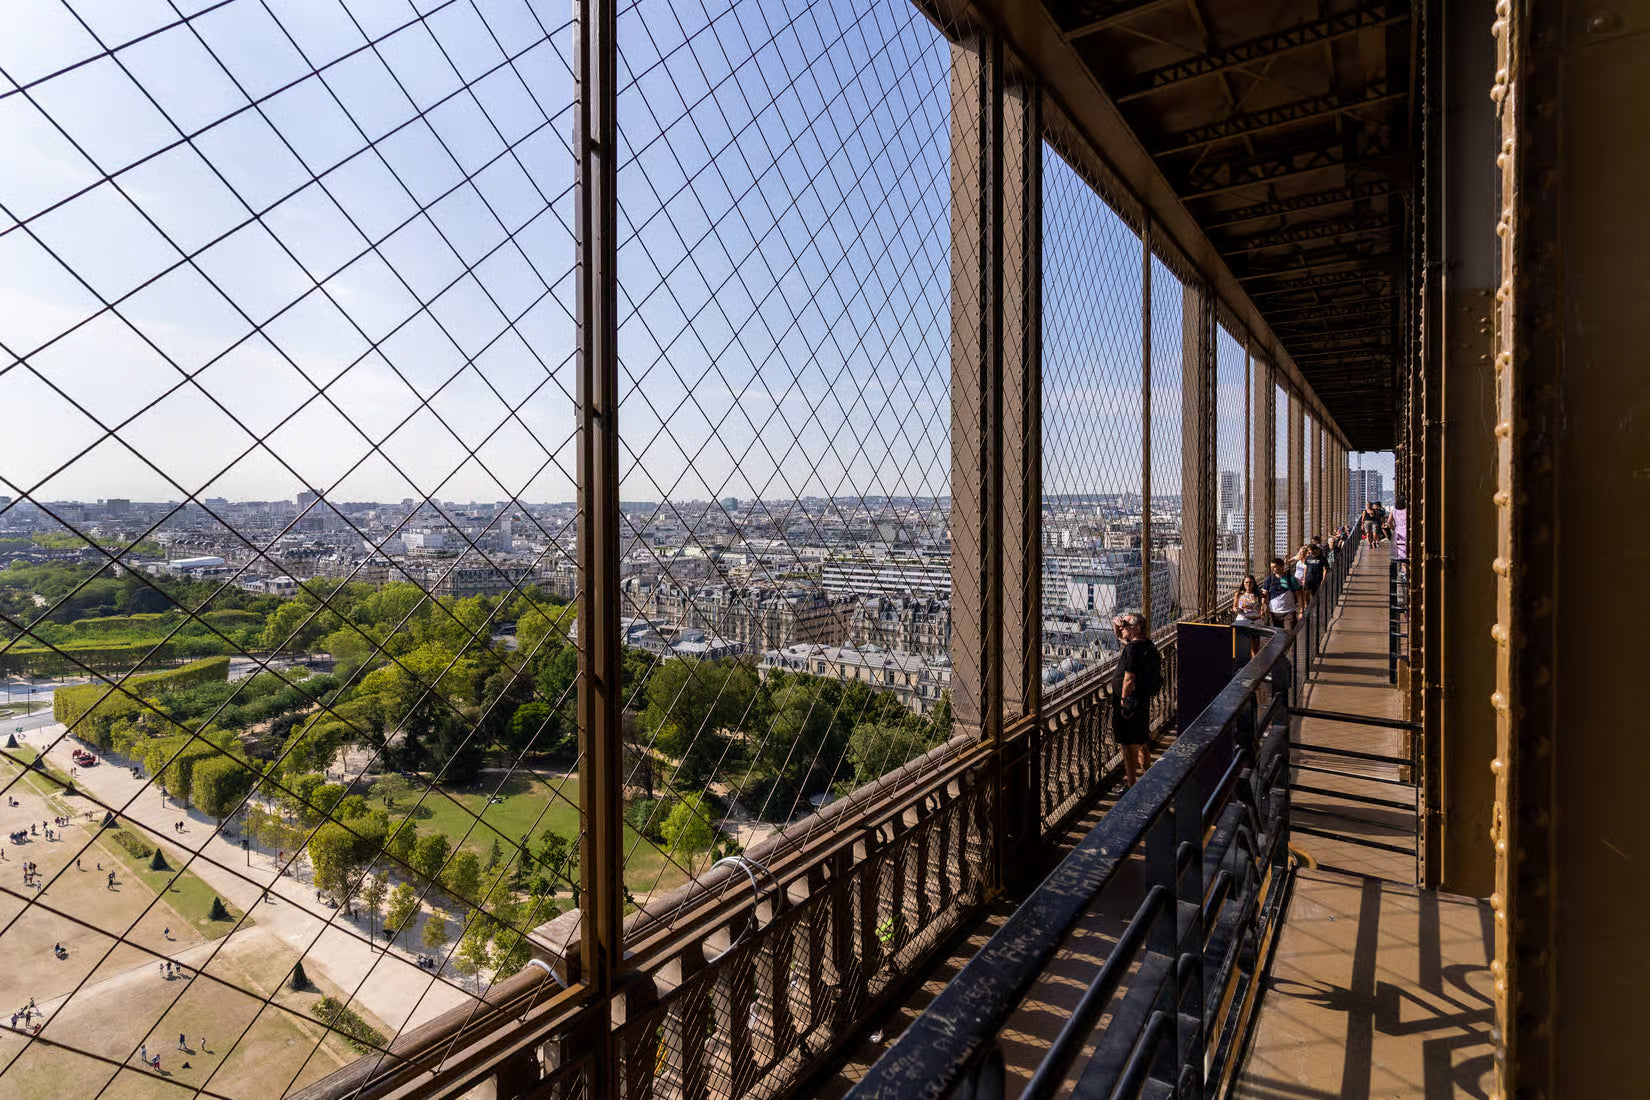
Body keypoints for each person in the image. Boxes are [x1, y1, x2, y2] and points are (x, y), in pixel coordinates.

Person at [1111, 611, 1163, 789]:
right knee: (1141, 740)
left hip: (1130, 703)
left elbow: (1129, 679)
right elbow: (1121, 637)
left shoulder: (1132, 650)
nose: (1122, 628)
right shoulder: (1146, 645)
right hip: (1142, 701)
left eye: (1126, 625)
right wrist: (1117, 625)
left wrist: (1124, 703)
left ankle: (1132, 785)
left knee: (1128, 746)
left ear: (1136, 628)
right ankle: (1147, 778)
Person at [1261, 557, 1303, 630]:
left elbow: (1299, 595)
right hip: (1273, 612)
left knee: (1288, 635)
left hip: (1289, 612)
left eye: (1274, 567)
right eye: (1271, 567)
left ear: (1281, 566)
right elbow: (1264, 595)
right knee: (1276, 635)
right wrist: (1262, 609)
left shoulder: (1291, 579)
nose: (1272, 569)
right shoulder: (1270, 579)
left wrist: (1301, 611)